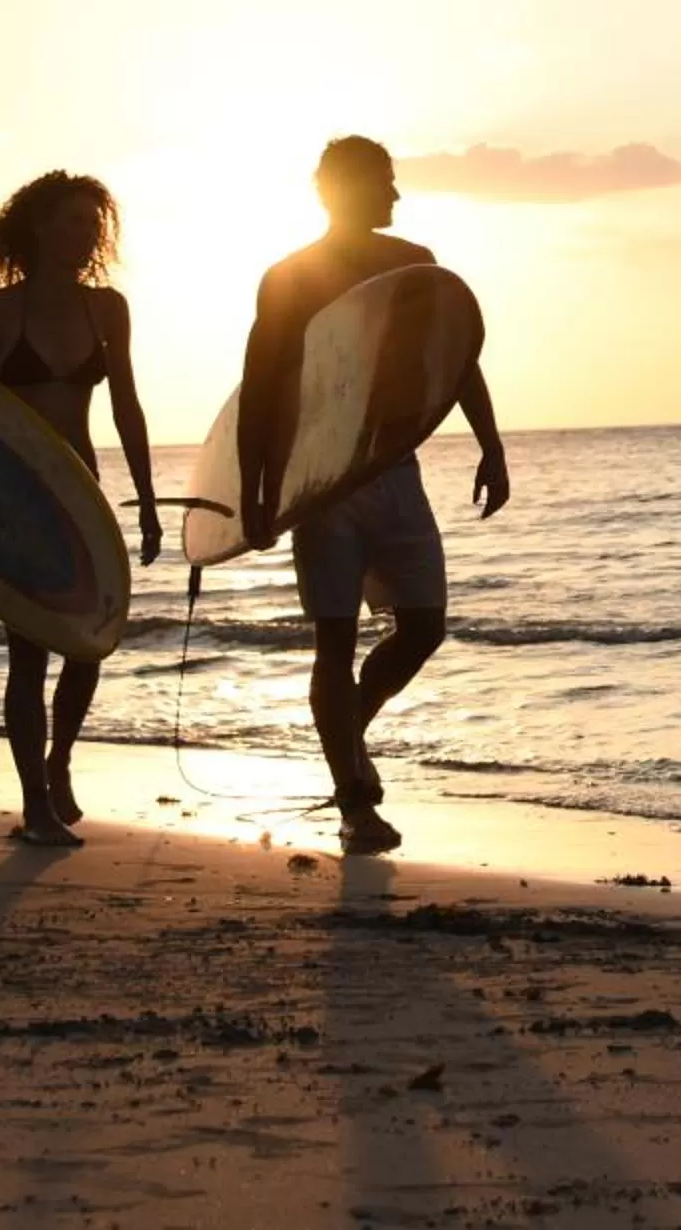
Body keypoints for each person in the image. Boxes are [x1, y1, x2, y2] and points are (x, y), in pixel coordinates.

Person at [239, 135, 510, 856]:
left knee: (422, 627)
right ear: (345, 189)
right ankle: (355, 803)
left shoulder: (412, 265)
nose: (396, 195)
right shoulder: (289, 277)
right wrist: (256, 495)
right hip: (323, 482)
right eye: (385, 182)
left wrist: (491, 443)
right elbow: (260, 388)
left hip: (396, 469)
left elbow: (454, 361)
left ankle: (346, 737)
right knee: (333, 641)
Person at [0, 171, 162, 847]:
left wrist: (148, 502)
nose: (88, 236)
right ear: (40, 227)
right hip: (16, 505)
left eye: (94, 224)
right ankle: (36, 806)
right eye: (75, 222)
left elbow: (126, 406)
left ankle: (59, 759)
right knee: (28, 655)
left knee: (89, 647)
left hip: (82, 495)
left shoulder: (107, 309)